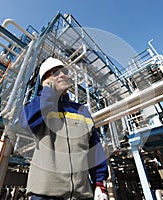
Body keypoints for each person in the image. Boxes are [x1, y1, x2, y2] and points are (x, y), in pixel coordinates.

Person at [21, 57, 109, 200]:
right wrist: (48, 92)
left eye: (64, 72)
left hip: (82, 195)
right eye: (55, 73)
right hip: (45, 194)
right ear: (45, 80)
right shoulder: (39, 106)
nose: (63, 75)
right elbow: (26, 122)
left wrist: (99, 182)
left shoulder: (82, 111)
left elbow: (94, 149)